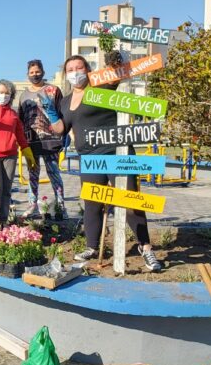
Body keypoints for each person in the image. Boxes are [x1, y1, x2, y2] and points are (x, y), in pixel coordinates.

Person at [45, 55, 162, 271]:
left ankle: (145, 248)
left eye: (78, 67)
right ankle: (91, 246)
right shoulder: (66, 101)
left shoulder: (101, 87)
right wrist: (51, 114)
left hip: (116, 152)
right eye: (70, 69)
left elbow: (118, 71)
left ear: (88, 69)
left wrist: (112, 53)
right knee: (93, 204)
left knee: (129, 202)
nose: (74, 72)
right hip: (89, 158)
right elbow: (62, 129)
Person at [0, 80, 36, 230]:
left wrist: (26, 151)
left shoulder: (13, 113)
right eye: (0, 92)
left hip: (10, 154)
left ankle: (3, 222)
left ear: (11, 95)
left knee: (6, 189)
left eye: (6, 93)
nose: (3, 96)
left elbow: (20, 134)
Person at [17, 59, 67, 220]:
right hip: (31, 142)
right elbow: (20, 119)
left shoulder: (53, 90)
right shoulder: (24, 95)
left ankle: (60, 206)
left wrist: (64, 136)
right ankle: (33, 205)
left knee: (54, 174)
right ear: (27, 75)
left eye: (37, 71)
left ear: (43, 72)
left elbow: (63, 114)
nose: (35, 75)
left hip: (51, 141)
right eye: (31, 72)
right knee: (32, 174)